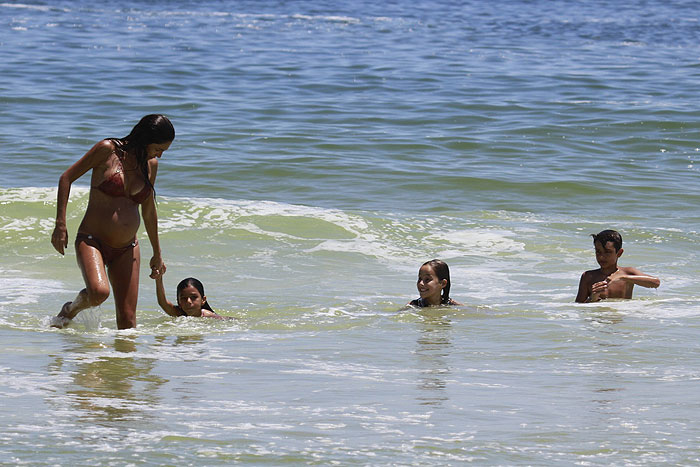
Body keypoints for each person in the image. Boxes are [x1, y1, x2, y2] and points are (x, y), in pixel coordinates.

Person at [50, 114, 174, 329]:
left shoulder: (150, 165)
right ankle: (70, 310)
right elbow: (66, 178)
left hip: (127, 247)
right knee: (99, 293)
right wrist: (60, 224)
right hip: (92, 240)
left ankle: (120, 362)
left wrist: (157, 252)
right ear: (145, 139)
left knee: (128, 322)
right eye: (158, 149)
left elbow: (148, 209)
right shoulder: (107, 150)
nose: (160, 155)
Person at [575, 229, 660, 303]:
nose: (602, 256)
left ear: (619, 253)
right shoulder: (588, 276)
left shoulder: (627, 273)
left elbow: (656, 283)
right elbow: (578, 307)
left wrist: (623, 277)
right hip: (597, 320)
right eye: (598, 252)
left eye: (607, 252)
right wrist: (592, 299)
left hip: (620, 319)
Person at [155, 276, 225, 319]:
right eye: (183, 298)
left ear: (203, 300)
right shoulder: (178, 313)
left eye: (193, 297)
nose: (188, 301)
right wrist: (158, 278)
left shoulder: (208, 316)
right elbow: (162, 302)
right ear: (178, 301)